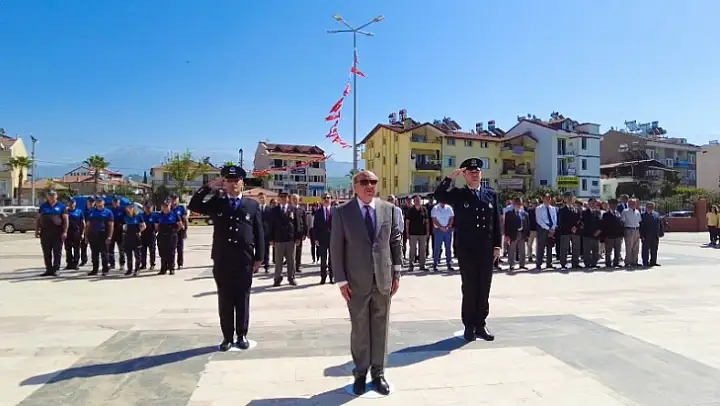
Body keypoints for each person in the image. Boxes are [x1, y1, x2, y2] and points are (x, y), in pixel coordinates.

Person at [330, 170, 401, 396]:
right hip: (356, 281)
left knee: (380, 328)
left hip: (383, 279)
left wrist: (397, 272)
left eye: (373, 181)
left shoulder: (388, 209)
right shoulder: (342, 212)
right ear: (355, 186)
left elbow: (395, 241)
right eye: (364, 182)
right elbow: (336, 247)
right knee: (360, 328)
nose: (369, 185)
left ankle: (378, 373)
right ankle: (360, 373)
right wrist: (341, 280)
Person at [188, 165, 264, 351]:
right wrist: (208, 188)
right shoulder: (218, 202)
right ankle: (227, 337)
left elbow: (259, 232)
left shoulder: (252, 205)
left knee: (243, 298)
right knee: (225, 299)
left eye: (236, 180)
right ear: (224, 183)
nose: (233, 184)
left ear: (242, 182)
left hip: (244, 259)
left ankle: (242, 334)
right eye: (229, 181)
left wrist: (259, 258)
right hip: (223, 259)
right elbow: (194, 205)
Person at [434, 158, 501, 342]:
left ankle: (481, 324)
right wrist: (449, 178)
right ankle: (469, 326)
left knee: (484, 287)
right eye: (471, 172)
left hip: (486, 249)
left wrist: (497, 245)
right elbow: (439, 195)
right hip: (467, 249)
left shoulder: (490, 194)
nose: (475, 175)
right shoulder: (459, 194)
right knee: (470, 288)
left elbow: (496, 221)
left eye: (477, 172)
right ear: (465, 175)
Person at [269, 192, 302, 286]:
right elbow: (270, 225)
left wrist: (298, 237)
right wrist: (271, 238)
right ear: (278, 199)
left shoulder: (293, 209)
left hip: (290, 238)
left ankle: (291, 278)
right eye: (281, 197)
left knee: (291, 260)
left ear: (288, 199)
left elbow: (297, 224)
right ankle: (277, 278)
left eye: (285, 197)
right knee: (278, 261)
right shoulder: (274, 210)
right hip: (279, 239)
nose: (283, 199)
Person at [35, 190, 68, 276]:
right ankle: (48, 269)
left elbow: (66, 219)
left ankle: (56, 269)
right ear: (47, 197)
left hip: (57, 232)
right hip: (45, 232)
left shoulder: (61, 206)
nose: (51, 197)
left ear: (56, 196)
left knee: (57, 252)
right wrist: (37, 230)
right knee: (46, 252)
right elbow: (38, 219)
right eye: (50, 195)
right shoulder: (43, 206)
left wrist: (65, 231)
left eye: (53, 195)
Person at [85, 197, 114, 276]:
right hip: (93, 235)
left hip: (103, 234)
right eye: (98, 202)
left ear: (103, 203)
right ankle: (95, 270)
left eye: (100, 202)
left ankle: (105, 270)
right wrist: (86, 236)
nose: (99, 204)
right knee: (94, 253)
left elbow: (111, 225)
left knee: (104, 253)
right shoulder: (91, 212)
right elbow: (87, 225)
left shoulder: (108, 212)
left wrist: (109, 236)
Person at [155, 201, 184, 275]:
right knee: (162, 253)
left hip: (171, 236)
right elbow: (156, 226)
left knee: (171, 253)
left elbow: (180, 225)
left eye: (167, 206)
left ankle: (171, 268)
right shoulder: (158, 215)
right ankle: (163, 269)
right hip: (162, 236)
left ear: (170, 206)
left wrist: (174, 232)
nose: (165, 208)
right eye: (164, 206)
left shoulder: (174, 214)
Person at [313, 193, 334, 284]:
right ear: (321, 200)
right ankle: (323, 277)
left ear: (331, 200)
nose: (326, 199)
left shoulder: (335, 211)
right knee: (323, 259)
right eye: (324, 198)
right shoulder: (318, 212)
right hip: (322, 239)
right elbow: (315, 227)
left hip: (333, 239)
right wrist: (315, 239)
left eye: (328, 198)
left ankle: (332, 277)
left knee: (332, 259)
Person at [557, 192, 582, 269]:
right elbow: (561, 222)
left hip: (575, 231)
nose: (570, 199)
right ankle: (563, 264)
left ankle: (575, 263)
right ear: (564, 199)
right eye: (568, 198)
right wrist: (570, 228)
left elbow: (579, 219)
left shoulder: (576, 209)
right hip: (565, 232)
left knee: (576, 248)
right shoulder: (562, 210)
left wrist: (576, 227)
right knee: (564, 248)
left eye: (571, 198)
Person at [405, 195, 429, 271]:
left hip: (423, 233)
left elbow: (427, 222)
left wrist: (428, 231)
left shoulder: (424, 209)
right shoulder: (410, 210)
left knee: (422, 250)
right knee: (412, 250)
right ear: (414, 201)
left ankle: (422, 265)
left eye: (419, 200)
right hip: (413, 233)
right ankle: (411, 265)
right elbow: (407, 222)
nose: (417, 202)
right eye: (416, 200)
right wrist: (407, 233)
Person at [504, 198, 528, 270]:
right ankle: (512, 264)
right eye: (517, 204)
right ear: (514, 204)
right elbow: (506, 225)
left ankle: (522, 264)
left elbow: (527, 224)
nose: (519, 205)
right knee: (512, 250)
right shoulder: (509, 213)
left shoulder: (524, 214)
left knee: (522, 250)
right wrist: (507, 235)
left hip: (522, 233)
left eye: (520, 204)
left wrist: (527, 234)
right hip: (513, 234)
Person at [534, 194, 558, 269]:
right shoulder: (539, 208)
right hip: (543, 229)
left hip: (551, 228)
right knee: (541, 247)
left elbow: (555, 218)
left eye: (549, 199)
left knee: (550, 247)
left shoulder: (553, 208)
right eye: (546, 198)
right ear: (543, 199)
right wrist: (548, 228)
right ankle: (539, 264)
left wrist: (553, 228)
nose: (548, 200)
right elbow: (539, 220)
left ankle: (549, 263)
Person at [430, 199, 454, 271]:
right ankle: (435, 264)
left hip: (447, 230)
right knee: (437, 247)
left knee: (448, 247)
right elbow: (434, 219)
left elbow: (451, 218)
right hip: (438, 230)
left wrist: (447, 226)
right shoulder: (435, 208)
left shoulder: (449, 208)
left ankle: (449, 264)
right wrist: (441, 227)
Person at [122, 204, 146, 276]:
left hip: (136, 237)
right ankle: (129, 269)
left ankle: (137, 269)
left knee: (137, 254)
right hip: (128, 237)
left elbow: (144, 226)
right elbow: (124, 226)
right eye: (127, 208)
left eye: (130, 208)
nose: (128, 210)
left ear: (133, 208)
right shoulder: (125, 217)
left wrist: (139, 231)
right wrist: (124, 229)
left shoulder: (138, 216)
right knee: (128, 254)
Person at [601, 198, 623, 268]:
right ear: (609, 205)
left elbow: (620, 224)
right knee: (608, 251)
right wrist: (604, 236)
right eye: (612, 204)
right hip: (609, 235)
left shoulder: (618, 213)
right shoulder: (605, 214)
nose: (614, 206)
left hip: (618, 236)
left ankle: (616, 263)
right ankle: (608, 263)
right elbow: (604, 226)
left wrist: (621, 234)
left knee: (617, 250)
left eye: (615, 205)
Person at [640, 202, 663, 267]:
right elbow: (641, 226)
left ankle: (653, 262)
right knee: (645, 249)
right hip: (646, 235)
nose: (650, 208)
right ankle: (645, 262)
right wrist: (641, 235)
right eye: (649, 207)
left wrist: (661, 232)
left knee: (654, 249)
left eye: (652, 207)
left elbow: (660, 223)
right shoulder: (642, 215)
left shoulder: (656, 214)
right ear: (646, 207)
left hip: (655, 235)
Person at [64, 198, 85, 270]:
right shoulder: (65, 211)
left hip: (76, 232)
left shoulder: (79, 212)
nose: (71, 204)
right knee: (68, 248)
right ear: (68, 203)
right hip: (67, 232)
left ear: (75, 203)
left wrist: (82, 233)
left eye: (72, 203)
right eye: (70, 202)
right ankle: (69, 263)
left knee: (76, 248)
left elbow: (83, 223)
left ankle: (76, 263)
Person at [581, 198, 602, 268]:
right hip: (587, 234)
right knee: (587, 250)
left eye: (594, 203)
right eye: (591, 203)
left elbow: (600, 222)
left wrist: (599, 230)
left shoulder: (598, 212)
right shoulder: (584, 212)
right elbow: (582, 222)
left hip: (596, 234)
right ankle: (587, 263)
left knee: (595, 250)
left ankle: (594, 263)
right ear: (588, 203)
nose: (593, 204)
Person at [621, 199, 642, 267]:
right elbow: (622, 221)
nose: (633, 204)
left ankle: (634, 261)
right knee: (629, 247)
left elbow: (639, 221)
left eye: (634, 203)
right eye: (632, 203)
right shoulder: (625, 211)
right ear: (629, 204)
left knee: (636, 247)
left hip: (636, 230)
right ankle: (628, 262)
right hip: (629, 230)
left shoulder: (637, 211)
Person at [290, 194, 307, 274]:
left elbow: (304, 222)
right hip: (290, 233)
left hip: (299, 233)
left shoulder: (302, 209)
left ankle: (298, 266)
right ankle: (291, 266)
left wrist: (305, 233)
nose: (294, 200)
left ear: (298, 200)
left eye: (296, 199)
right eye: (293, 198)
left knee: (298, 250)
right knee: (290, 251)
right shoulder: (289, 209)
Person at [170, 194, 188, 270]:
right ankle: (171, 264)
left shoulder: (181, 208)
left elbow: (185, 219)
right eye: (172, 199)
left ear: (178, 200)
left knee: (179, 248)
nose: (174, 201)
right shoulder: (168, 208)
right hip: (171, 230)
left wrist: (185, 230)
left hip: (180, 230)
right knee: (171, 249)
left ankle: (180, 263)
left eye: (175, 199)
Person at [108, 197, 126, 271]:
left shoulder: (122, 209)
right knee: (110, 249)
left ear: (119, 202)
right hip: (111, 230)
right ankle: (112, 264)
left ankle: (122, 264)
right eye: (114, 202)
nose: (116, 203)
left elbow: (126, 219)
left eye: (117, 202)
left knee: (121, 249)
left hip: (120, 230)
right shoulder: (110, 210)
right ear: (112, 202)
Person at [140, 202, 158, 271]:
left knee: (152, 251)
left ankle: (152, 264)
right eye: (146, 207)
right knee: (142, 251)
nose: (148, 209)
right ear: (144, 208)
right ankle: (143, 264)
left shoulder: (154, 216)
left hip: (151, 235)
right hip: (143, 235)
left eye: (149, 207)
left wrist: (155, 232)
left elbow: (156, 226)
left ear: (152, 207)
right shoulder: (141, 215)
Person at [257, 192, 272, 272]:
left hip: (266, 233)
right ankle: (257, 266)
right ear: (258, 199)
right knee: (257, 249)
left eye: (263, 197)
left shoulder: (269, 209)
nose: (262, 199)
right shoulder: (256, 208)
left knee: (266, 250)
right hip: (257, 232)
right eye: (260, 197)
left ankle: (267, 266)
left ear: (266, 198)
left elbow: (271, 222)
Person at [79, 197, 95, 266]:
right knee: (83, 246)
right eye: (89, 202)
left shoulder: (95, 211)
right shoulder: (84, 211)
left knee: (93, 247)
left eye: (92, 202)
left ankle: (94, 260)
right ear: (87, 202)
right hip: (85, 230)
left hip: (93, 231)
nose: (90, 203)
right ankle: (84, 260)